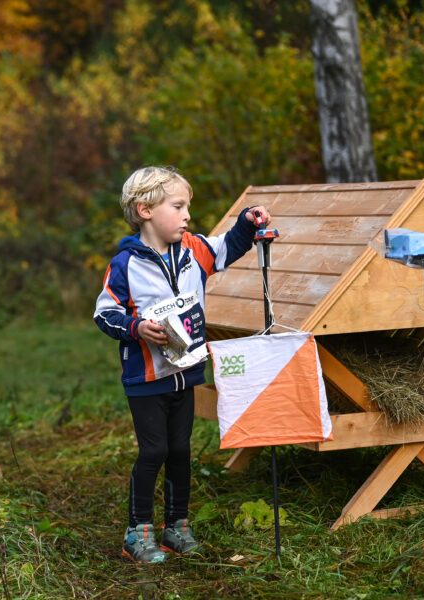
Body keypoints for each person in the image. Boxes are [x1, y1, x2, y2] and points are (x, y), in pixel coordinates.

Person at [93, 166, 271, 563]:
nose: (187, 214)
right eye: (178, 206)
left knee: (180, 450)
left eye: (187, 206)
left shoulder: (194, 251)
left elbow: (228, 246)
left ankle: (177, 527)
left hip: (186, 374)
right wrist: (137, 327)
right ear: (145, 210)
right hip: (146, 379)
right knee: (153, 451)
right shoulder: (125, 265)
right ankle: (137, 534)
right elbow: (104, 314)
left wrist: (247, 221)